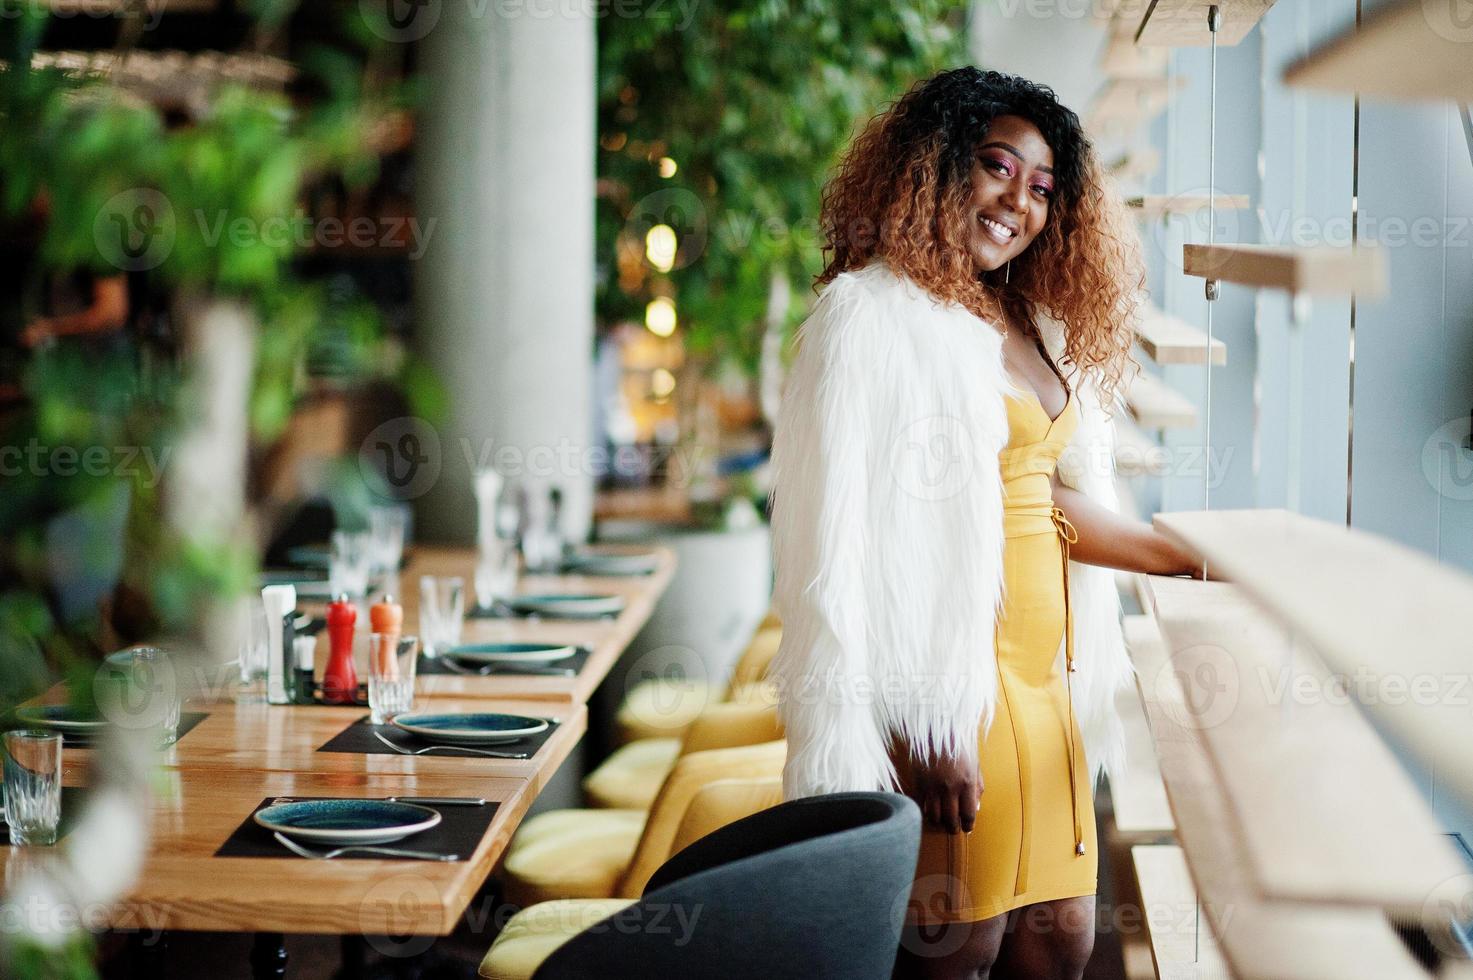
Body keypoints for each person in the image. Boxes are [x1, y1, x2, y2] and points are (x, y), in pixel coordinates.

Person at [767, 67, 1205, 980]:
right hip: (955, 695)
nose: (1018, 200)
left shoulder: (1027, 318)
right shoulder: (871, 316)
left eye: (1043, 188)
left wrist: (1186, 556)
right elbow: (836, 548)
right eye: (997, 167)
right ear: (935, 169)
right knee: (957, 950)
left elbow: (1038, 502)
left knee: (1061, 945)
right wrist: (922, 720)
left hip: (1051, 690)